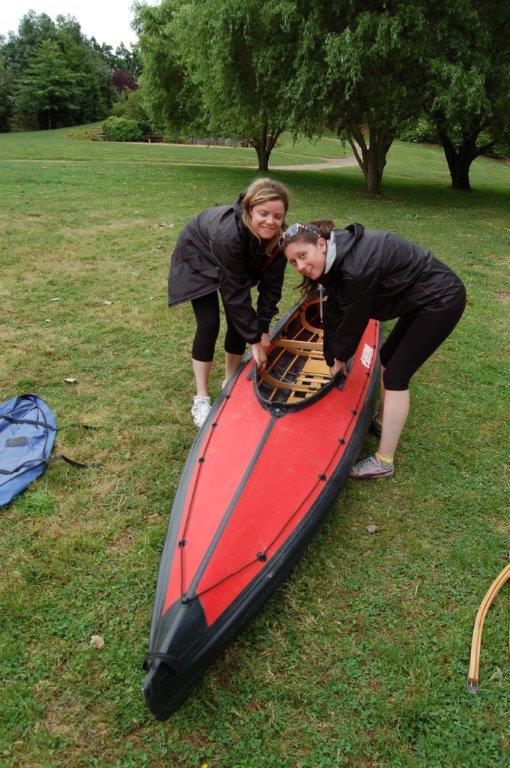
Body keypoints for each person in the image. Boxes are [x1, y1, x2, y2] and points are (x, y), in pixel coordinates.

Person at [280, 220, 466, 479]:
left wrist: (340, 358)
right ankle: (382, 422)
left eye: (303, 256)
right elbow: (334, 310)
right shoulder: (336, 254)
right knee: (387, 357)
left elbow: (353, 320)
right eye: (293, 262)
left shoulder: (356, 269)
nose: (300, 266)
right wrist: (330, 355)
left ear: (321, 244)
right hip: (419, 299)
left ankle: (384, 461)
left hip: (440, 301)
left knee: (396, 377)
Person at [168, 178, 290, 427]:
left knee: (239, 322)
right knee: (209, 323)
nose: (270, 221)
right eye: (263, 213)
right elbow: (236, 294)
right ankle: (201, 398)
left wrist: (263, 326)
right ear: (248, 210)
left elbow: (272, 286)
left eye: (277, 216)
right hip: (198, 252)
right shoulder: (229, 235)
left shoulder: (279, 239)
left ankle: (229, 383)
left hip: (228, 258)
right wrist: (254, 339)